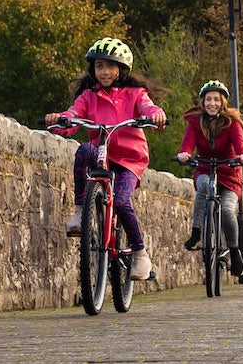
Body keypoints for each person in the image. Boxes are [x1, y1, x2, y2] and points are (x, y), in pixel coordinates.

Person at [45, 37, 168, 282]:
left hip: (129, 159)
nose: (105, 72)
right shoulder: (89, 96)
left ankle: (140, 253)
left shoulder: (135, 93)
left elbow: (148, 108)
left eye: (111, 66)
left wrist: (155, 115)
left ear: (122, 69)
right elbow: (74, 114)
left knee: (121, 202)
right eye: (99, 66)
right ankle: (81, 211)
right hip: (99, 150)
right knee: (82, 151)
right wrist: (59, 120)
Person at [176, 79, 243, 282]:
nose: (212, 103)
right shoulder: (196, 121)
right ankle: (197, 232)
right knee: (203, 186)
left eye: (216, 100)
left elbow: (239, 143)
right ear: (202, 101)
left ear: (223, 102)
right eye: (208, 99)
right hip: (204, 168)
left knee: (228, 210)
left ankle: (235, 251)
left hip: (229, 172)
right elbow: (188, 143)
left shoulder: (232, 122)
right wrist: (184, 153)